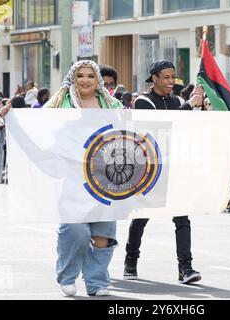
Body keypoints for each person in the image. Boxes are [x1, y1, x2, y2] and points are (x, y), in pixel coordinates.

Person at [42, 60, 123, 297]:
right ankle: (67, 277)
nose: (85, 80)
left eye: (90, 75)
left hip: (107, 179)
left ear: (97, 79)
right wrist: (10, 116)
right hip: (73, 178)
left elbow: (130, 129)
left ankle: (97, 282)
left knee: (103, 234)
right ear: (73, 78)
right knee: (76, 231)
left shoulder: (112, 104)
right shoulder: (58, 103)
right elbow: (36, 125)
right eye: (80, 76)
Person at [123, 59, 204, 285]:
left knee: (182, 218)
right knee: (141, 217)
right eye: (166, 77)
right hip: (149, 169)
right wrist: (189, 106)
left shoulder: (178, 100)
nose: (171, 82)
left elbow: (187, 127)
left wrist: (199, 107)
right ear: (154, 78)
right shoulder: (143, 102)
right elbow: (162, 126)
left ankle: (185, 268)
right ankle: (131, 261)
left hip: (176, 167)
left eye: (173, 77)